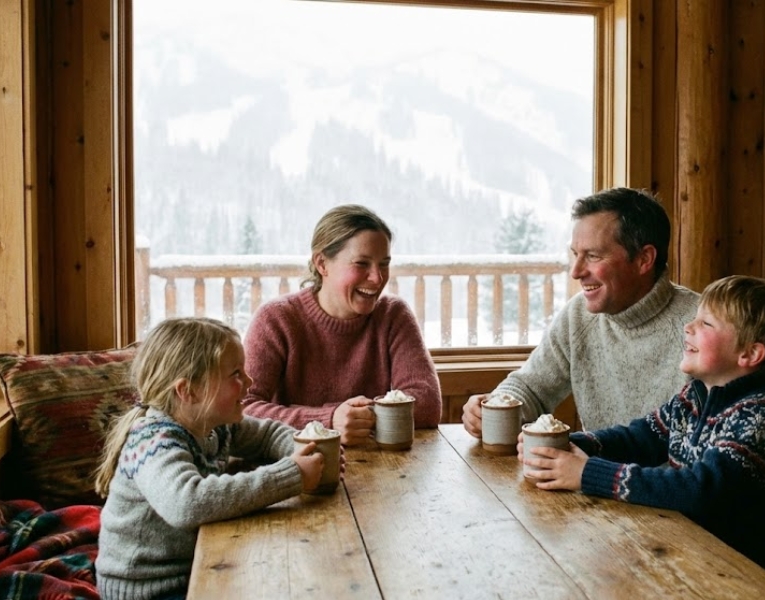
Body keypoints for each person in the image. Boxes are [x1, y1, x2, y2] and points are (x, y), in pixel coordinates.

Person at [521, 275, 765, 590]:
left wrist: (587, 473)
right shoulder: (694, 397)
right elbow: (638, 438)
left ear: (750, 355)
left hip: (756, 580)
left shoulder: (763, 416)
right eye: (694, 318)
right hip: (702, 559)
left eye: (706, 324)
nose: (689, 327)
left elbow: (699, 491)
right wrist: (562, 445)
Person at [94, 317, 326, 600]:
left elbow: (267, 434)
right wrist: (292, 475)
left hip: (194, 568)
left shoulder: (214, 424)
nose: (249, 382)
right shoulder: (153, 440)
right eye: (236, 374)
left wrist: (305, 447)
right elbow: (187, 503)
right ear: (188, 391)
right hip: (147, 589)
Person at [463, 187, 699, 435]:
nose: (576, 271)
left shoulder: (703, 326)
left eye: (593, 256)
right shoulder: (578, 315)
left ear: (644, 259)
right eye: (576, 254)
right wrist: (495, 406)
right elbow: (531, 388)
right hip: (586, 470)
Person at [242, 204, 442, 445]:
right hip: (292, 465)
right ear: (322, 264)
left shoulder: (393, 315)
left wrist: (359, 417)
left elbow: (427, 403)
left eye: (384, 264)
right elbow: (243, 409)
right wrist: (329, 420)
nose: (377, 278)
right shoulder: (276, 319)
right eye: (362, 264)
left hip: (382, 469)